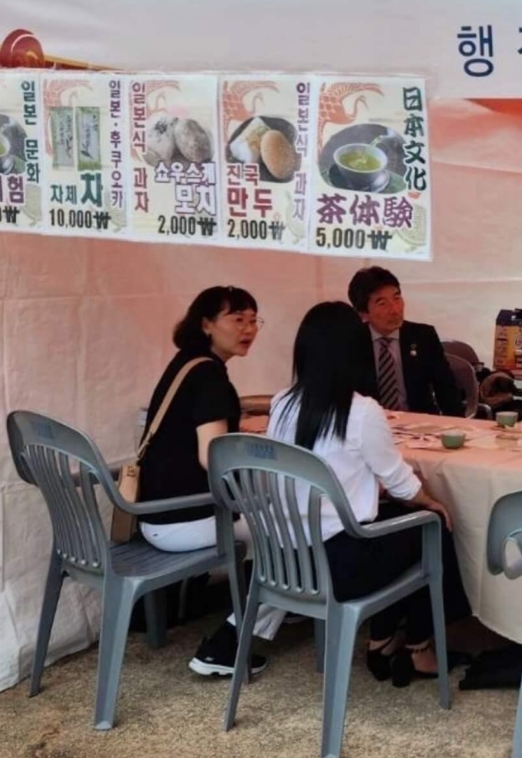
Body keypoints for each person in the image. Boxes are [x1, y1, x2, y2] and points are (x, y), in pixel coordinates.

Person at [267, 302, 470, 686]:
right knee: (432, 524)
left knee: (398, 521)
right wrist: (432, 501)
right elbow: (401, 483)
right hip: (340, 564)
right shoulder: (361, 411)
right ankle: (420, 648)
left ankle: (384, 639)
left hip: (287, 557)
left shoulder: (282, 403)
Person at [138, 286, 283, 678]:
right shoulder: (210, 377)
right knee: (297, 531)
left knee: (276, 516)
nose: (248, 329)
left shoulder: (187, 363)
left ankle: (269, 605)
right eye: (237, 319)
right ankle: (228, 644)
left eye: (253, 320)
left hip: (154, 514)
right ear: (206, 324)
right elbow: (212, 458)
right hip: (183, 520)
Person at [348, 266, 464, 417]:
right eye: (382, 303)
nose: (395, 310)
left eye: (397, 298)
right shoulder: (351, 342)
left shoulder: (423, 336)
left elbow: (447, 390)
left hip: (419, 423)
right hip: (371, 423)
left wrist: (459, 425)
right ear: (363, 314)